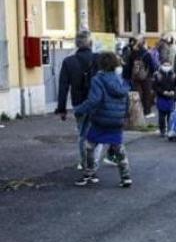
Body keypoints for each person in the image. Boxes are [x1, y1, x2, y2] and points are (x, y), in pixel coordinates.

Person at [73, 52, 132, 188]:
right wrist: (124, 116)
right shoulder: (120, 81)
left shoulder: (97, 79)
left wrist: (80, 110)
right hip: (116, 120)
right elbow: (126, 99)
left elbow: (94, 100)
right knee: (118, 147)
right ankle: (126, 177)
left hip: (101, 119)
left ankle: (89, 173)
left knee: (89, 145)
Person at [55, 31, 100, 170]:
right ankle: (94, 162)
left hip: (79, 102)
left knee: (82, 133)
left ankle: (84, 162)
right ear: (91, 43)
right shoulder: (99, 59)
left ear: (76, 44)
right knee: (97, 132)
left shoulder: (68, 61)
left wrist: (62, 109)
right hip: (96, 101)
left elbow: (63, 86)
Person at [126, 35, 158, 117]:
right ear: (144, 43)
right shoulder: (147, 53)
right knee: (147, 94)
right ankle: (147, 112)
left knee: (138, 94)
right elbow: (152, 66)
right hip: (146, 76)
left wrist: (129, 75)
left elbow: (128, 65)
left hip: (135, 76)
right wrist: (151, 73)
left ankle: (137, 112)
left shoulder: (132, 53)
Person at [153, 60, 176, 137]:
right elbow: (155, 86)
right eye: (165, 65)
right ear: (161, 65)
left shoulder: (173, 75)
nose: (166, 67)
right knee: (161, 116)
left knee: (170, 116)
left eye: (168, 65)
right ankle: (162, 130)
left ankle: (169, 130)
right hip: (161, 97)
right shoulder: (157, 75)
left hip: (170, 98)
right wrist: (163, 92)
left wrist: (174, 91)